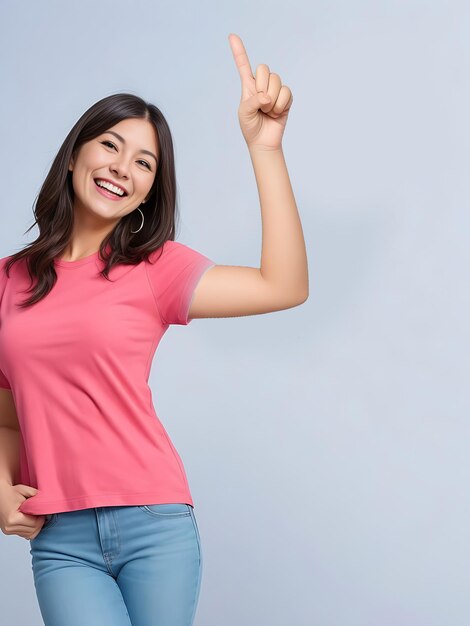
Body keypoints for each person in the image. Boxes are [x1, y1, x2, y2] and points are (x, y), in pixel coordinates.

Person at [0, 34, 308, 626]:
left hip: (156, 521)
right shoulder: (8, 282)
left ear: (150, 187)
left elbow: (285, 285)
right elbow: (4, 413)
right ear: (73, 156)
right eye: (110, 145)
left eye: (144, 161)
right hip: (60, 536)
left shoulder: (155, 269)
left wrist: (265, 149)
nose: (122, 167)